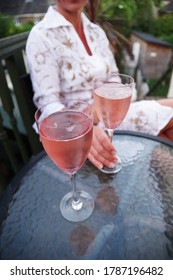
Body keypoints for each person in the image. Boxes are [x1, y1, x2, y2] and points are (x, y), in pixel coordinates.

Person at [26, 0, 173, 170]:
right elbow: (47, 103)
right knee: (166, 134)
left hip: (110, 113)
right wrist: (84, 126)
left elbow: (114, 79)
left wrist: (99, 109)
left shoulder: (96, 32)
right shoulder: (42, 35)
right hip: (76, 127)